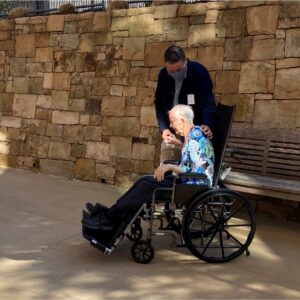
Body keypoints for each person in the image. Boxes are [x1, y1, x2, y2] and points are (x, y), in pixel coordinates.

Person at [83, 105, 214, 231]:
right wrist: (177, 143)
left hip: (192, 183)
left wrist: (170, 167)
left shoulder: (196, 137)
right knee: (144, 181)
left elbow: (199, 172)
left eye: (172, 121)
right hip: (185, 180)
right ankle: (112, 213)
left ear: (182, 120)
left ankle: (111, 217)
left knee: (145, 184)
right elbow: (191, 153)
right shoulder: (194, 133)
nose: (170, 125)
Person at [155, 45, 216, 163]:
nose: (175, 74)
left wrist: (207, 123)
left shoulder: (199, 72)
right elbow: (159, 104)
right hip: (172, 134)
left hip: (193, 133)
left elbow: (207, 102)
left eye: (178, 70)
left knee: (189, 167)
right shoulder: (163, 75)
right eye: (171, 71)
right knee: (166, 167)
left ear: (186, 61)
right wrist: (164, 129)